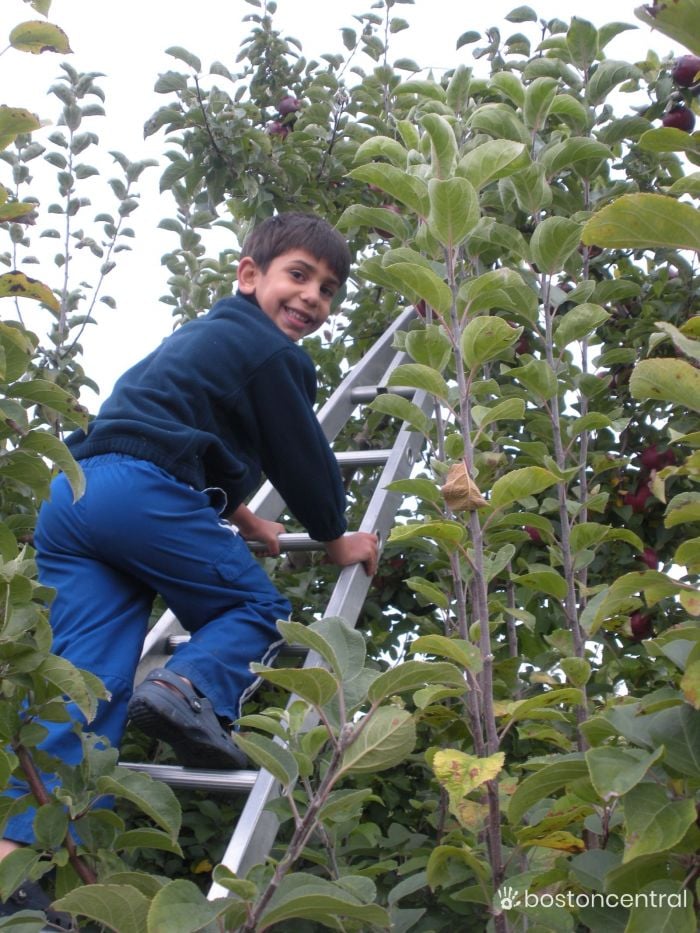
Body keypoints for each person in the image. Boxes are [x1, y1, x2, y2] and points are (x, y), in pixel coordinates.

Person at [0, 212, 378, 918]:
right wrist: (334, 538)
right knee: (253, 608)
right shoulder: (273, 353)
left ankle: (10, 867)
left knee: (86, 684)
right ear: (248, 274)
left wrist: (240, 514)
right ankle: (188, 688)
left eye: (329, 290)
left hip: (77, 497)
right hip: (141, 492)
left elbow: (170, 423)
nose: (313, 299)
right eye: (299, 275)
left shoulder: (198, 341)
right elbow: (302, 456)